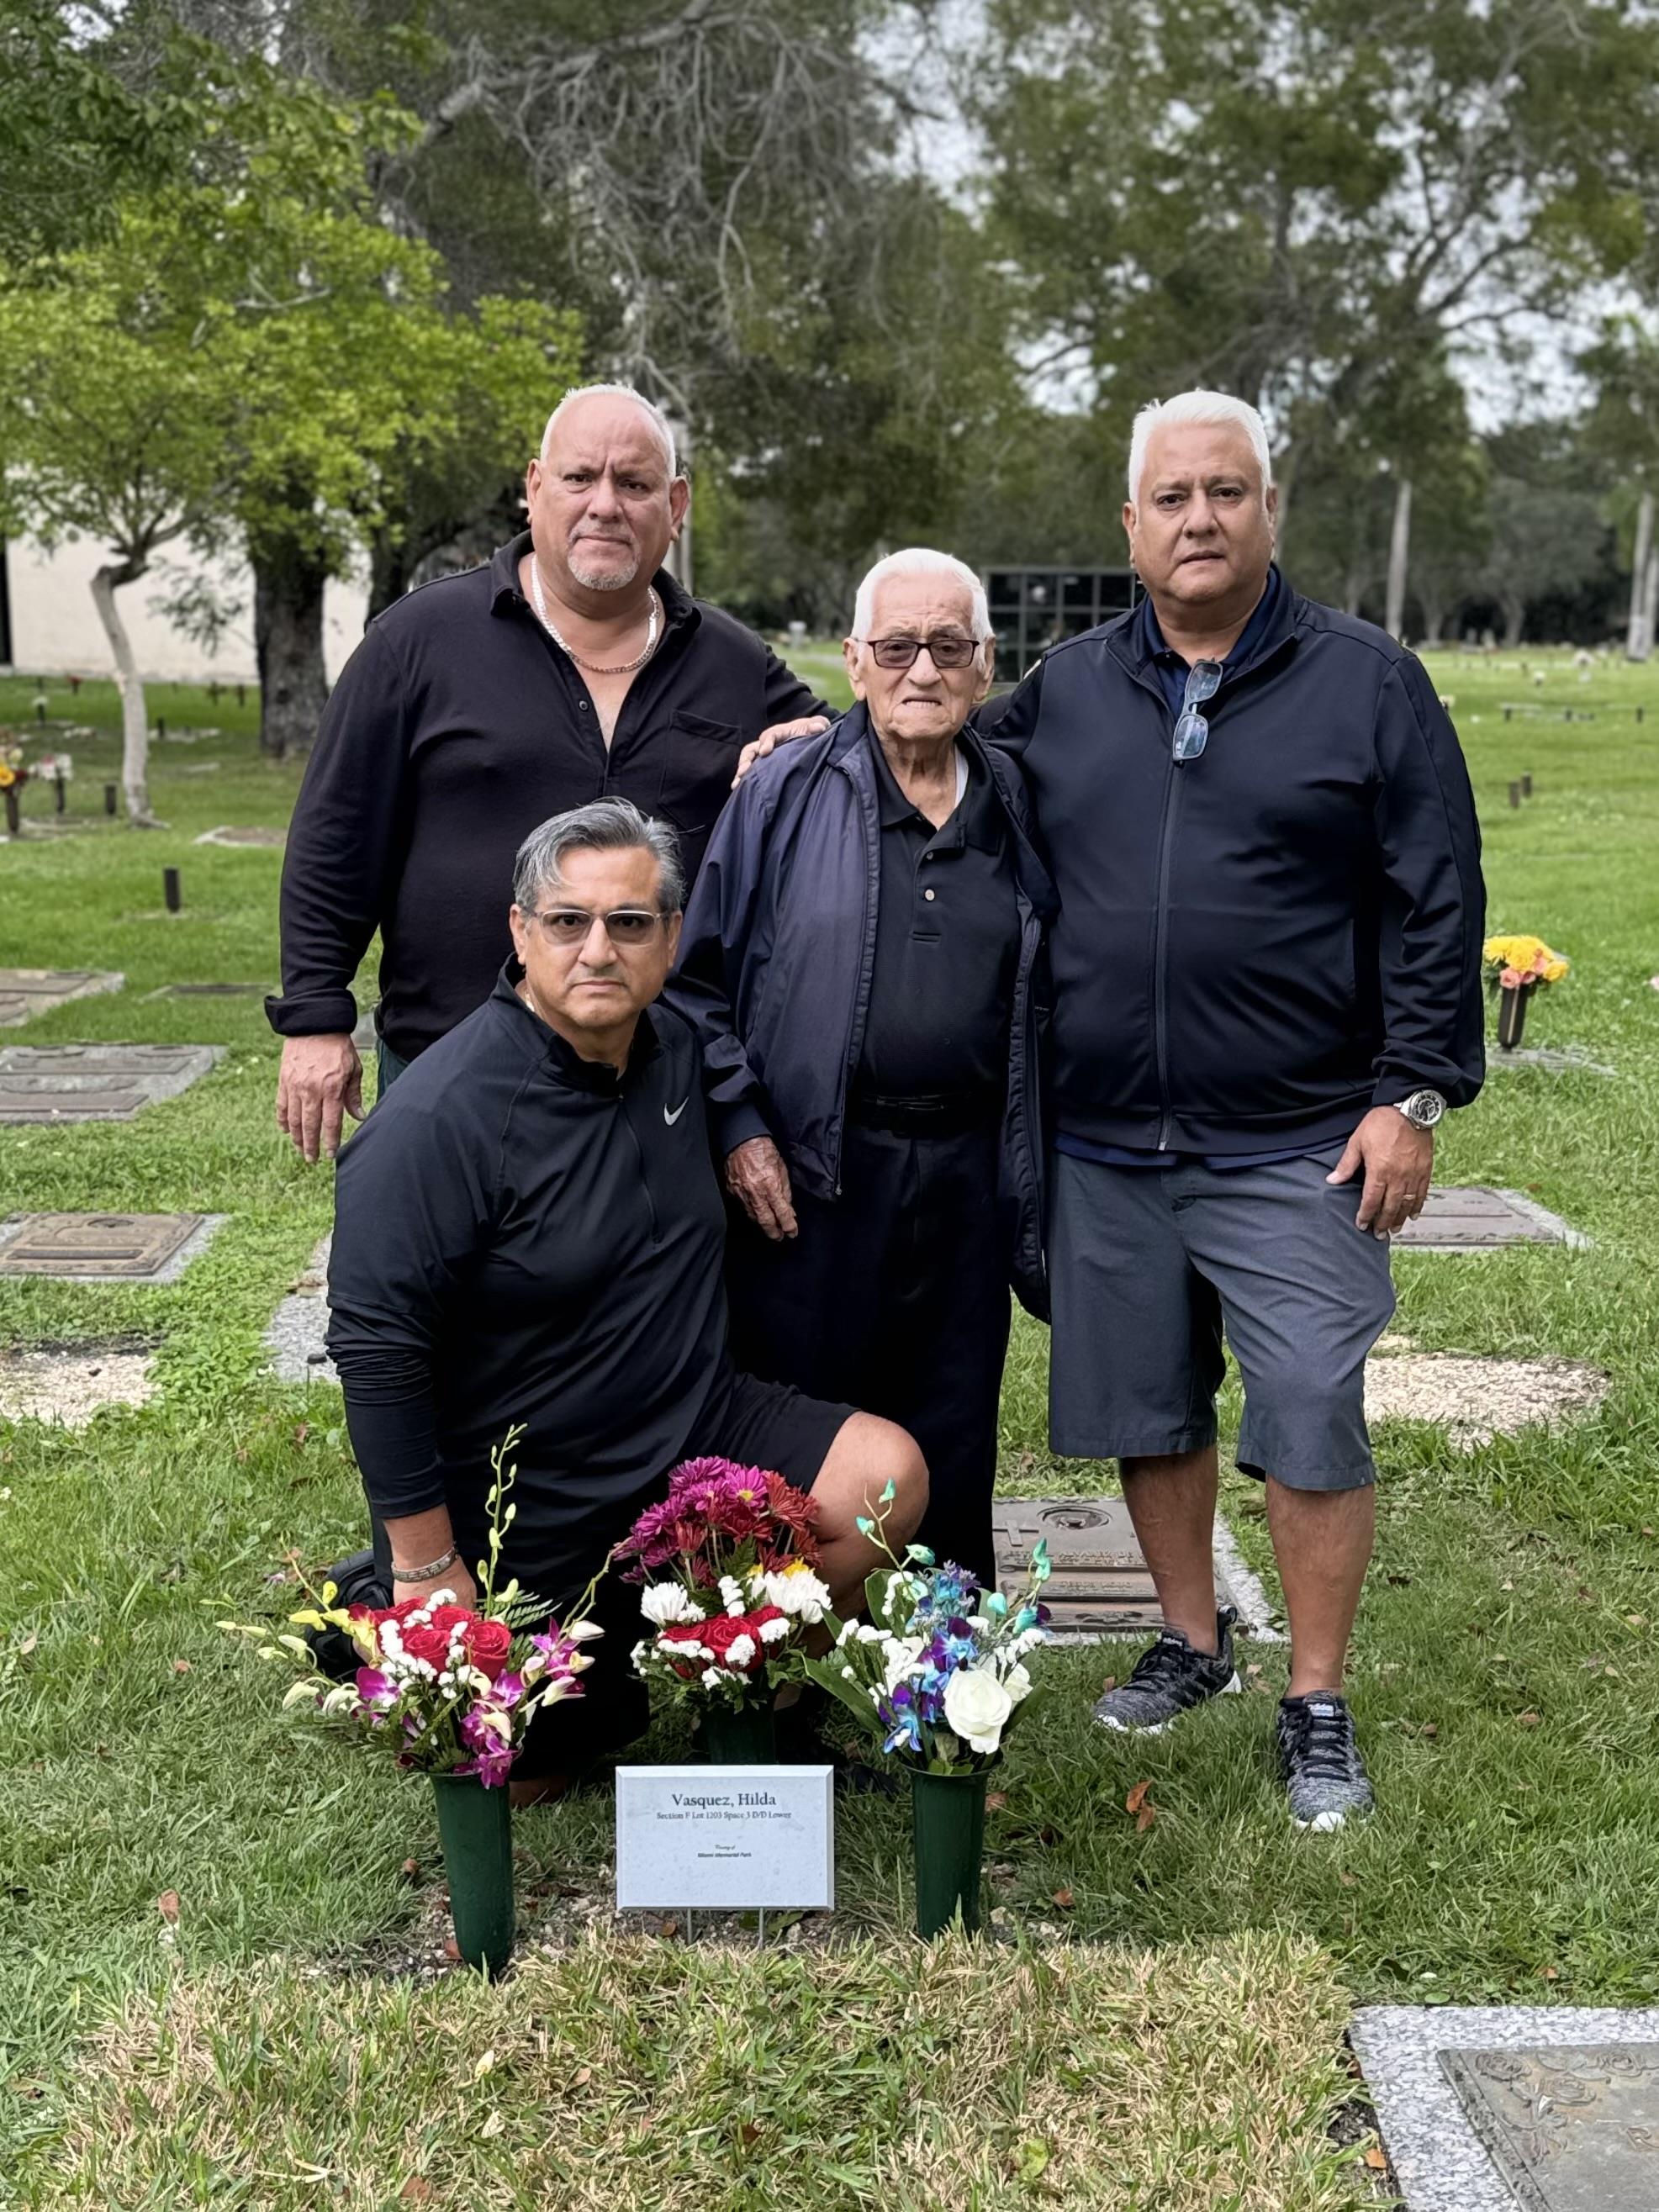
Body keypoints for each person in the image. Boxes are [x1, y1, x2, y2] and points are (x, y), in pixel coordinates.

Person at [742, 391, 1486, 1829]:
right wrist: (809, 743)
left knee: (1311, 1405)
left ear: (1268, 509)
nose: (1198, 518)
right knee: (1147, 1403)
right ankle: (1190, 1637)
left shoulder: (1367, 683)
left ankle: (1313, 1697)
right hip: (1103, 1136)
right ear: (1129, 526)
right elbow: (928, 717)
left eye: (1225, 491)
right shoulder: (1074, 686)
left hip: (1296, 1133)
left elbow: (1432, 893)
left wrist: (1411, 1091)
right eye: (1171, 497)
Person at [325, 798, 926, 1801]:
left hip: (694, 1434)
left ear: (670, 938)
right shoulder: (434, 1123)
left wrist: (738, 1128)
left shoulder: (674, 1050)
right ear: (519, 932)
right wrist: (427, 1566)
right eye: (567, 921)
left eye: (629, 923)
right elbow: (377, 1351)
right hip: (531, 1496)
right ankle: (376, 1604)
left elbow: (718, 1054)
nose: (597, 949)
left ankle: (753, 1712)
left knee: (885, 1477)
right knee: (532, 1771)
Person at [268, 382, 829, 1163]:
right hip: (450, 1071)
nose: (605, 504)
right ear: (534, 488)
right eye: (580, 478)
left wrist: (817, 742)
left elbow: (855, 759)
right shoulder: (418, 641)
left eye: (633, 484)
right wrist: (315, 1019)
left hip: (661, 1088)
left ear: (675, 505)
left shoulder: (735, 666)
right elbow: (335, 838)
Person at [669, 550, 1054, 1591]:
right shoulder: (781, 793)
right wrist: (740, 1125)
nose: (920, 669)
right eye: (895, 647)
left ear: (984, 667)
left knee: (956, 1425)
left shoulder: (1020, 801)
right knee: (800, 1437)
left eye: (947, 647)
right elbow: (693, 983)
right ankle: (777, 1676)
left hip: (970, 1171)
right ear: (852, 661)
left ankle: (941, 1686)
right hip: (811, 1171)